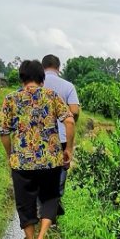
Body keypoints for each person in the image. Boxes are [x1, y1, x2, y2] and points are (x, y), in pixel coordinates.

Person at [0, 59, 74, 239]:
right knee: (50, 197)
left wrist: (10, 154)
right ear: (41, 78)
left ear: (22, 78)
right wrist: (69, 149)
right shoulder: (52, 96)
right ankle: (42, 235)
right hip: (51, 159)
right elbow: (69, 120)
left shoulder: (11, 99)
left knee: (25, 204)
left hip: (22, 161)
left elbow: (4, 132)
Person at [41, 54, 80, 216]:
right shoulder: (68, 86)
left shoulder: (36, 84)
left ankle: (42, 205)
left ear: (43, 67)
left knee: (41, 170)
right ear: (58, 68)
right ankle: (55, 202)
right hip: (62, 137)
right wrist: (70, 120)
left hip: (40, 137)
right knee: (61, 170)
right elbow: (75, 111)